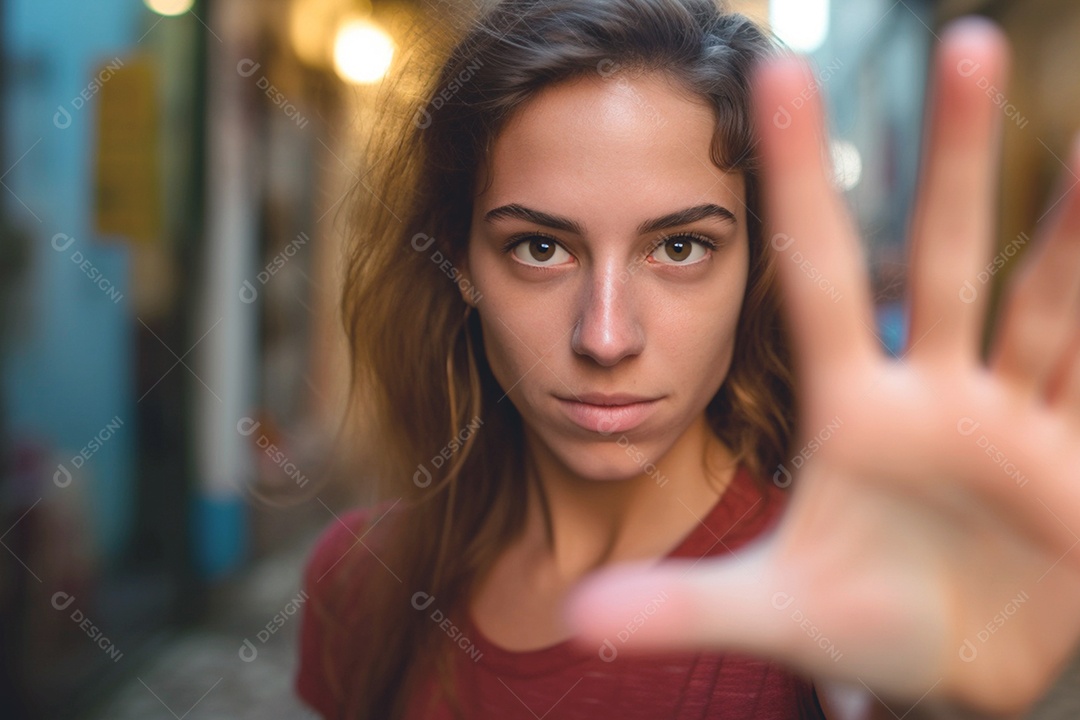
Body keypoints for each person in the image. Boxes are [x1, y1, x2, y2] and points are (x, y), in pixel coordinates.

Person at [295, 0, 1080, 718]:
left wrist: (942, 702)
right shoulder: (361, 583)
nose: (605, 338)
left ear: (756, 268)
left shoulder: (841, 613)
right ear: (459, 260)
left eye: (680, 247)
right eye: (540, 248)